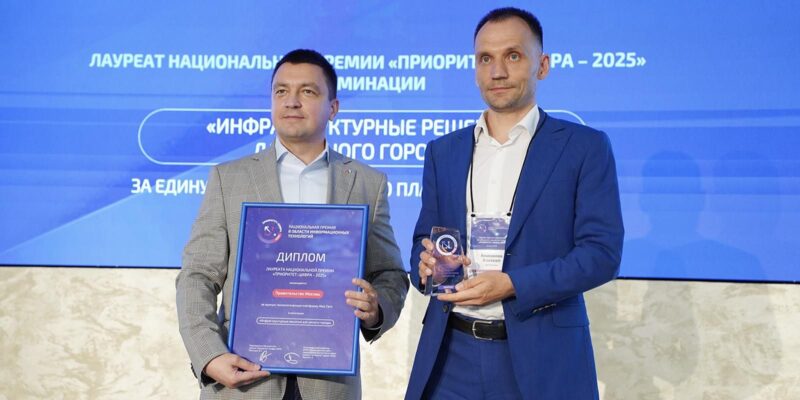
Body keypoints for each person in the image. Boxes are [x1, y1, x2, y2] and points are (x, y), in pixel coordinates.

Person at [406, 7, 624, 400]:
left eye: (513, 55)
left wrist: (513, 284)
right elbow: (424, 244)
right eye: (485, 59)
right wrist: (424, 267)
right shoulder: (443, 151)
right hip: (450, 357)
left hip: (541, 356)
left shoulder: (584, 147)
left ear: (542, 65)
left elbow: (601, 255)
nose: (497, 71)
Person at [176, 49, 409, 400]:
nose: (292, 101)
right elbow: (197, 276)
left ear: (333, 108)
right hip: (244, 383)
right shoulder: (229, 179)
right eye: (281, 91)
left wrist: (376, 309)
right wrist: (209, 356)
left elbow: (390, 274)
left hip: (330, 386)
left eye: (308, 91)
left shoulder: (366, 183)